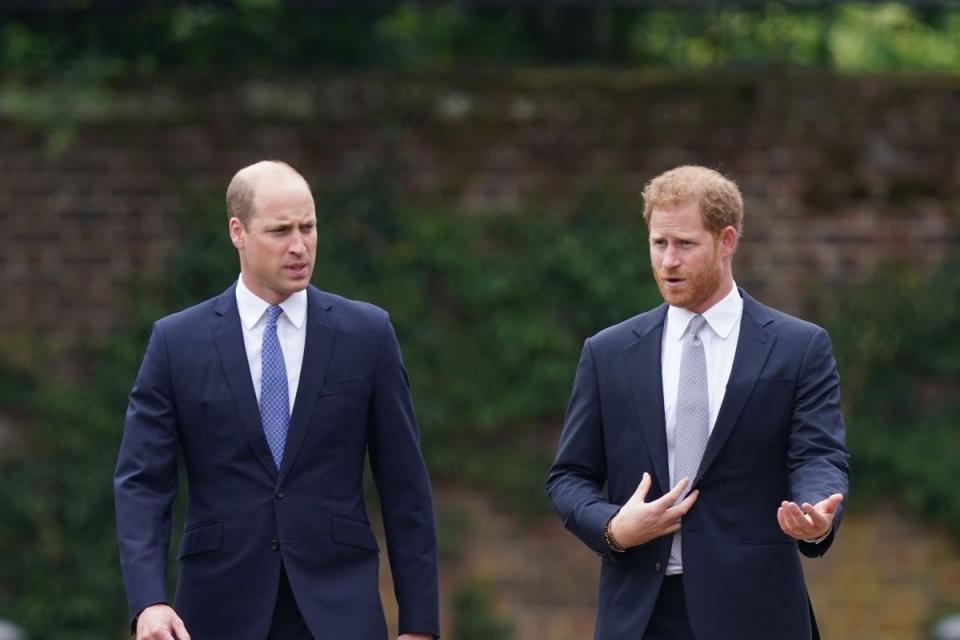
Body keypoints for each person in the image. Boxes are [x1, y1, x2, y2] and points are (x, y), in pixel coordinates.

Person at [114, 161, 439, 640]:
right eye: (280, 230)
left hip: (339, 609)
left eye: (308, 227)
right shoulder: (176, 343)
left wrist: (419, 624)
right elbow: (142, 482)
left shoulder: (367, 335)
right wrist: (149, 600)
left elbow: (405, 485)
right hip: (216, 610)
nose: (299, 246)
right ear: (237, 232)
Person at [546, 165, 849, 640]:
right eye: (658, 243)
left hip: (758, 615)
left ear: (726, 241)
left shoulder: (799, 347)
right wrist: (612, 528)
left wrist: (815, 516)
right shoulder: (607, 353)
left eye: (685, 245)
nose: (668, 261)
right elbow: (569, 476)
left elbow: (818, 454)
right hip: (639, 617)